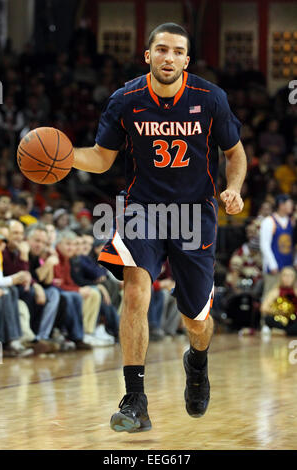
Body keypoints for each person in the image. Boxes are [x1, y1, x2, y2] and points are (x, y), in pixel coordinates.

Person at [72, 23, 246, 433]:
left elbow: (235, 153)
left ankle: (197, 363)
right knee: (135, 290)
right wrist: (65, 156)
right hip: (142, 209)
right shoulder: (125, 99)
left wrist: (233, 188)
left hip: (194, 213)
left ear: (187, 60)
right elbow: (101, 158)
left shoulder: (210, 98)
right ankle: (135, 400)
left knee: (196, 321)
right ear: (147, 55)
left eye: (177, 51)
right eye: (161, 49)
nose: (169, 57)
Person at [260, 194, 294, 300]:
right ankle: (265, 317)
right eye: (289, 204)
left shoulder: (291, 222)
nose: (292, 206)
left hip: (288, 266)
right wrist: (272, 264)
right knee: (270, 296)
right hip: (274, 267)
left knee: (288, 298)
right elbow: (264, 245)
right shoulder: (269, 221)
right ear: (281, 205)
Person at [261, 266, 297, 336]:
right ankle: (287, 332)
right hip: (280, 320)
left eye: (290, 276)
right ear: (281, 277)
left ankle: (283, 332)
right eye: (285, 275)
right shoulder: (276, 291)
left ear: (294, 278)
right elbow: (263, 308)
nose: (287, 278)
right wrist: (279, 312)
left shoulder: (296, 291)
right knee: (268, 319)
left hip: (293, 320)